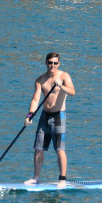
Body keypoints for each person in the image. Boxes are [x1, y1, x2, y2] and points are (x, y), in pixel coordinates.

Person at [24, 52, 75, 186]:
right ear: (46, 63)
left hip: (59, 115)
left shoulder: (64, 76)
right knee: (38, 148)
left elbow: (72, 92)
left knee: (59, 149)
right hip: (44, 115)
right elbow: (35, 100)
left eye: (55, 63)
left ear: (59, 64)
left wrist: (60, 86)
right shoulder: (40, 80)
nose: (52, 65)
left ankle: (62, 179)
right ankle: (36, 178)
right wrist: (30, 115)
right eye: (50, 63)